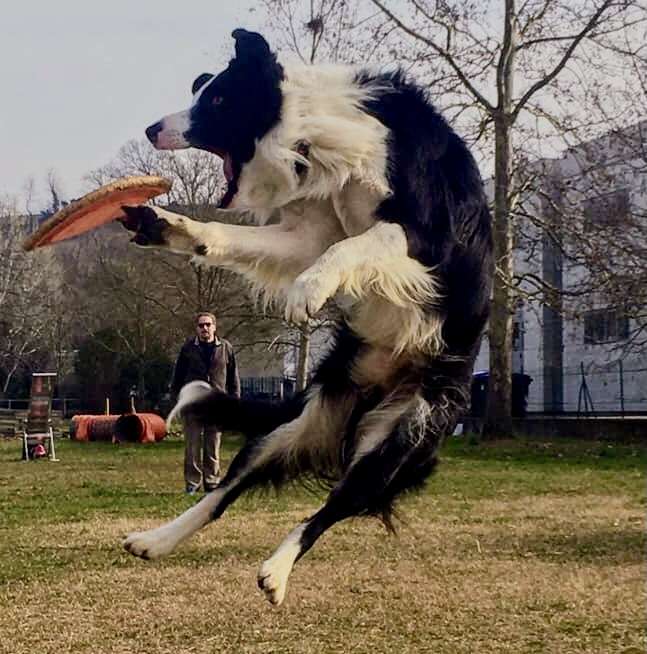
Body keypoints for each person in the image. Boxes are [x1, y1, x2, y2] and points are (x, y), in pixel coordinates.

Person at [170, 312, 240, 494]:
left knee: (213, 445)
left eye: (208, 325)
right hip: (193, 404)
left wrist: (235, 403)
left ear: (214, 327)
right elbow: (177, 378)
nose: (205, 329)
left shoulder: (226, 348)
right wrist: (177, 401)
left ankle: (212, 482)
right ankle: (192, 483)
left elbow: (233, 379)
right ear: (197, 329)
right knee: (192, 446)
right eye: (201, 325)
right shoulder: (187, 349)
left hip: (217, 404)